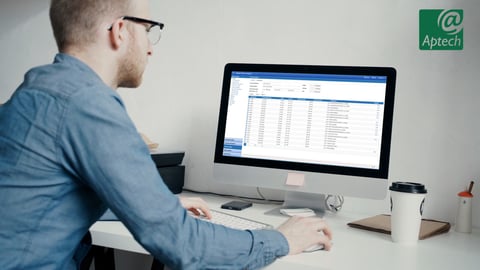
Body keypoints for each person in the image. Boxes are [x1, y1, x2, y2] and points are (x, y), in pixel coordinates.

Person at [0, 0, 333, 269]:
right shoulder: (87, 104)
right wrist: (282, 240)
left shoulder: (37, 90)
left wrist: (160, 205)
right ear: (119, 31)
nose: (150, 48)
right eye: (148, 29)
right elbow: (182, 245)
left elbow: (44, 200)